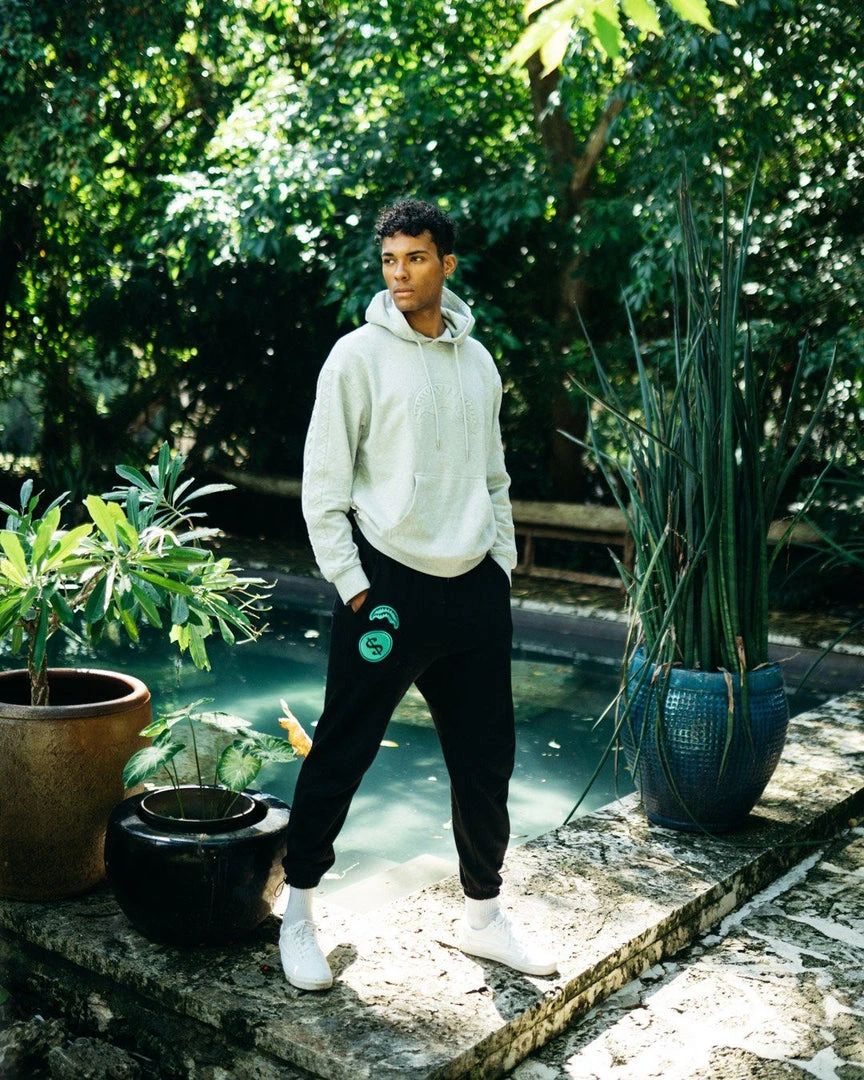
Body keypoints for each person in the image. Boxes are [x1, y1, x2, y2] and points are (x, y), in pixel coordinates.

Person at [279, 198, 557, 991]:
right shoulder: (356, 358)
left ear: (446, 264)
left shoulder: (479, 362)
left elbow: (494, 476)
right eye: (389, 260)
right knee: (343, 747)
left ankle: (483, 918)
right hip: (388, 591)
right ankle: (298, 914)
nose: (399, 274)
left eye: (415, 258)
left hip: (473, 592)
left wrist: (499, 564)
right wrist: (355, 586)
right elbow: (324, 488)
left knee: (486, 760)